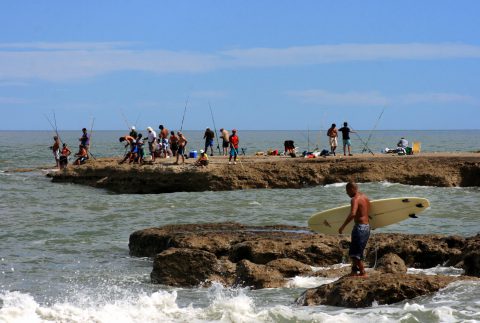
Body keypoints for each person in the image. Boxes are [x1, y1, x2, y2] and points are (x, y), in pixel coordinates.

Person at [339, 182, 371, 277]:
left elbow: (353, 213)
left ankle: (363, 272)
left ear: (352, 189)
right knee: (357, 250)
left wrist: (343, 226)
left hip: (360, 228)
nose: (347, 193)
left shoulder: (355, 199)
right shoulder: (365, 197)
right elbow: (367, 212)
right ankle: (354, 271)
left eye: (347, 191)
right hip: (367, 227)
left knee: (354, 253)